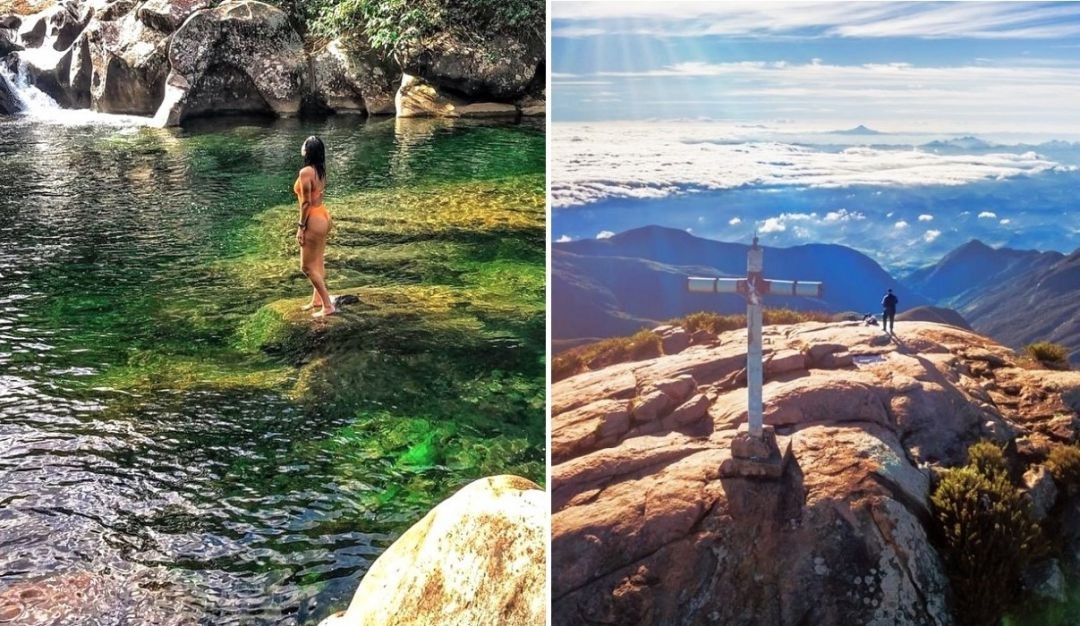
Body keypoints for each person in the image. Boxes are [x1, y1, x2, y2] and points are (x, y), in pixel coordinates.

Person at [295, 135, 334, 318]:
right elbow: (318, 197)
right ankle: (317, 300)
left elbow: (305, 203)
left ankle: (327, 305)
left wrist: (301, 226)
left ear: (308, 150)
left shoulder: (305, 172)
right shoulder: (320, 170)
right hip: (323, 216)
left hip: (313, 219)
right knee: (317, 261)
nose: (302, 146)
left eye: (304, 144)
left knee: (307, 267)